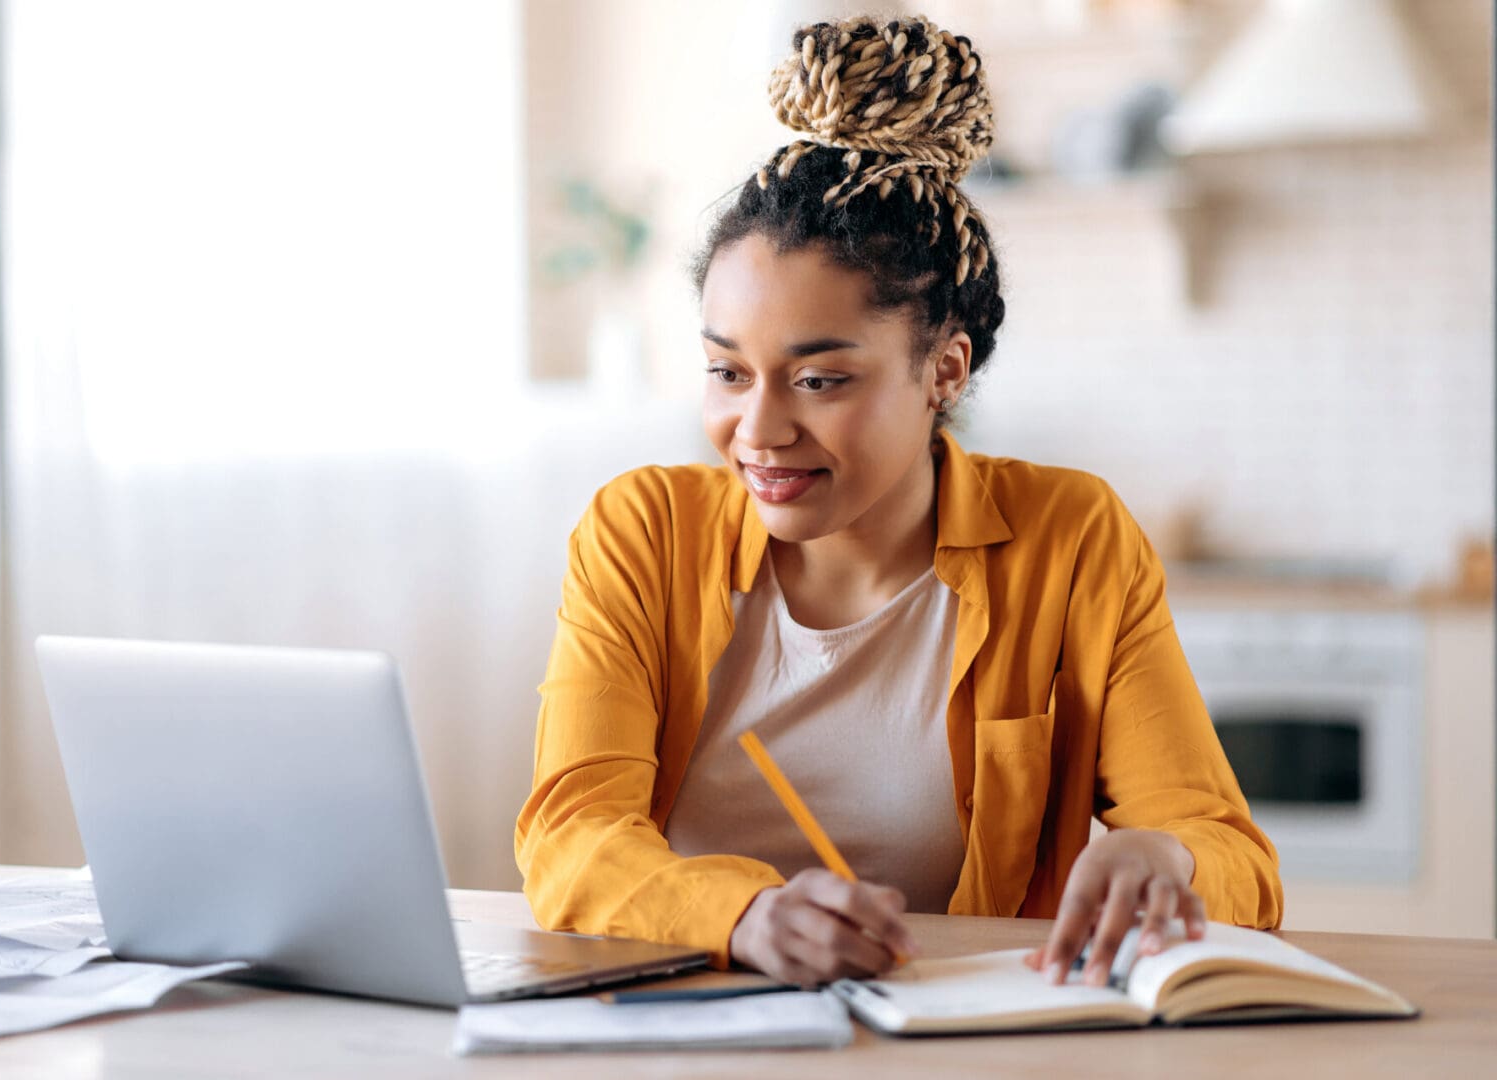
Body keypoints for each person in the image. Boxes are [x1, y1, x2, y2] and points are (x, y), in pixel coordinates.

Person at [515, 14, 1281, 990]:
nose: (758, 428)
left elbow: (1234, 859)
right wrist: (743, 916)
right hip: (690, 1028)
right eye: (725, 372)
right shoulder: (643, 532)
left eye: (820, 380)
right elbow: (567, 835)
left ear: (942, 370)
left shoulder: (1069, 538)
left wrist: (1167, 858)